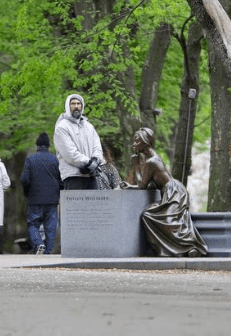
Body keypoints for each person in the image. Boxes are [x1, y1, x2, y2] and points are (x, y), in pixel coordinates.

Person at [123, 127, 208, 257]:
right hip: (174, 190)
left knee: (154, 216)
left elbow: (142, 185)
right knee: (167, 219)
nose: (134, 144)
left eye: (137, 141)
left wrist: (136, 164)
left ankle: (189, 246)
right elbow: (150, 185)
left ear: (145, 143)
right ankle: (175, 249)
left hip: (174, 192)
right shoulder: (152, 158)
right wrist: (130, 186)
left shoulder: (151, 161)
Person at [20, 132, 63, 255]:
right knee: (51, 226)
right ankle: (48, 251)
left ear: (37, 145)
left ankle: (39, 244)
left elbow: (24, 179)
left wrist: (27, 191)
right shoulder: (55, 159)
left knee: (33, 223)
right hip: (52, 199)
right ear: (49, 146)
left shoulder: (30, 158)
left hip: (35, 198)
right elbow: (61, 179)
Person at [53, 93, 104, 190]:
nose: (76, 106)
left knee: (95, 205)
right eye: (73, 104)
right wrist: (88, 163)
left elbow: (97, 146)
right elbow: (69, 153)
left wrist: (96, 160)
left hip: (91, 175)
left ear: (82, 106)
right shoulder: (62, 127)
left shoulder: (88, 126)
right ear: (68, 106)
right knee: (74, 205)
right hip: (73, 175)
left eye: (78, 104)